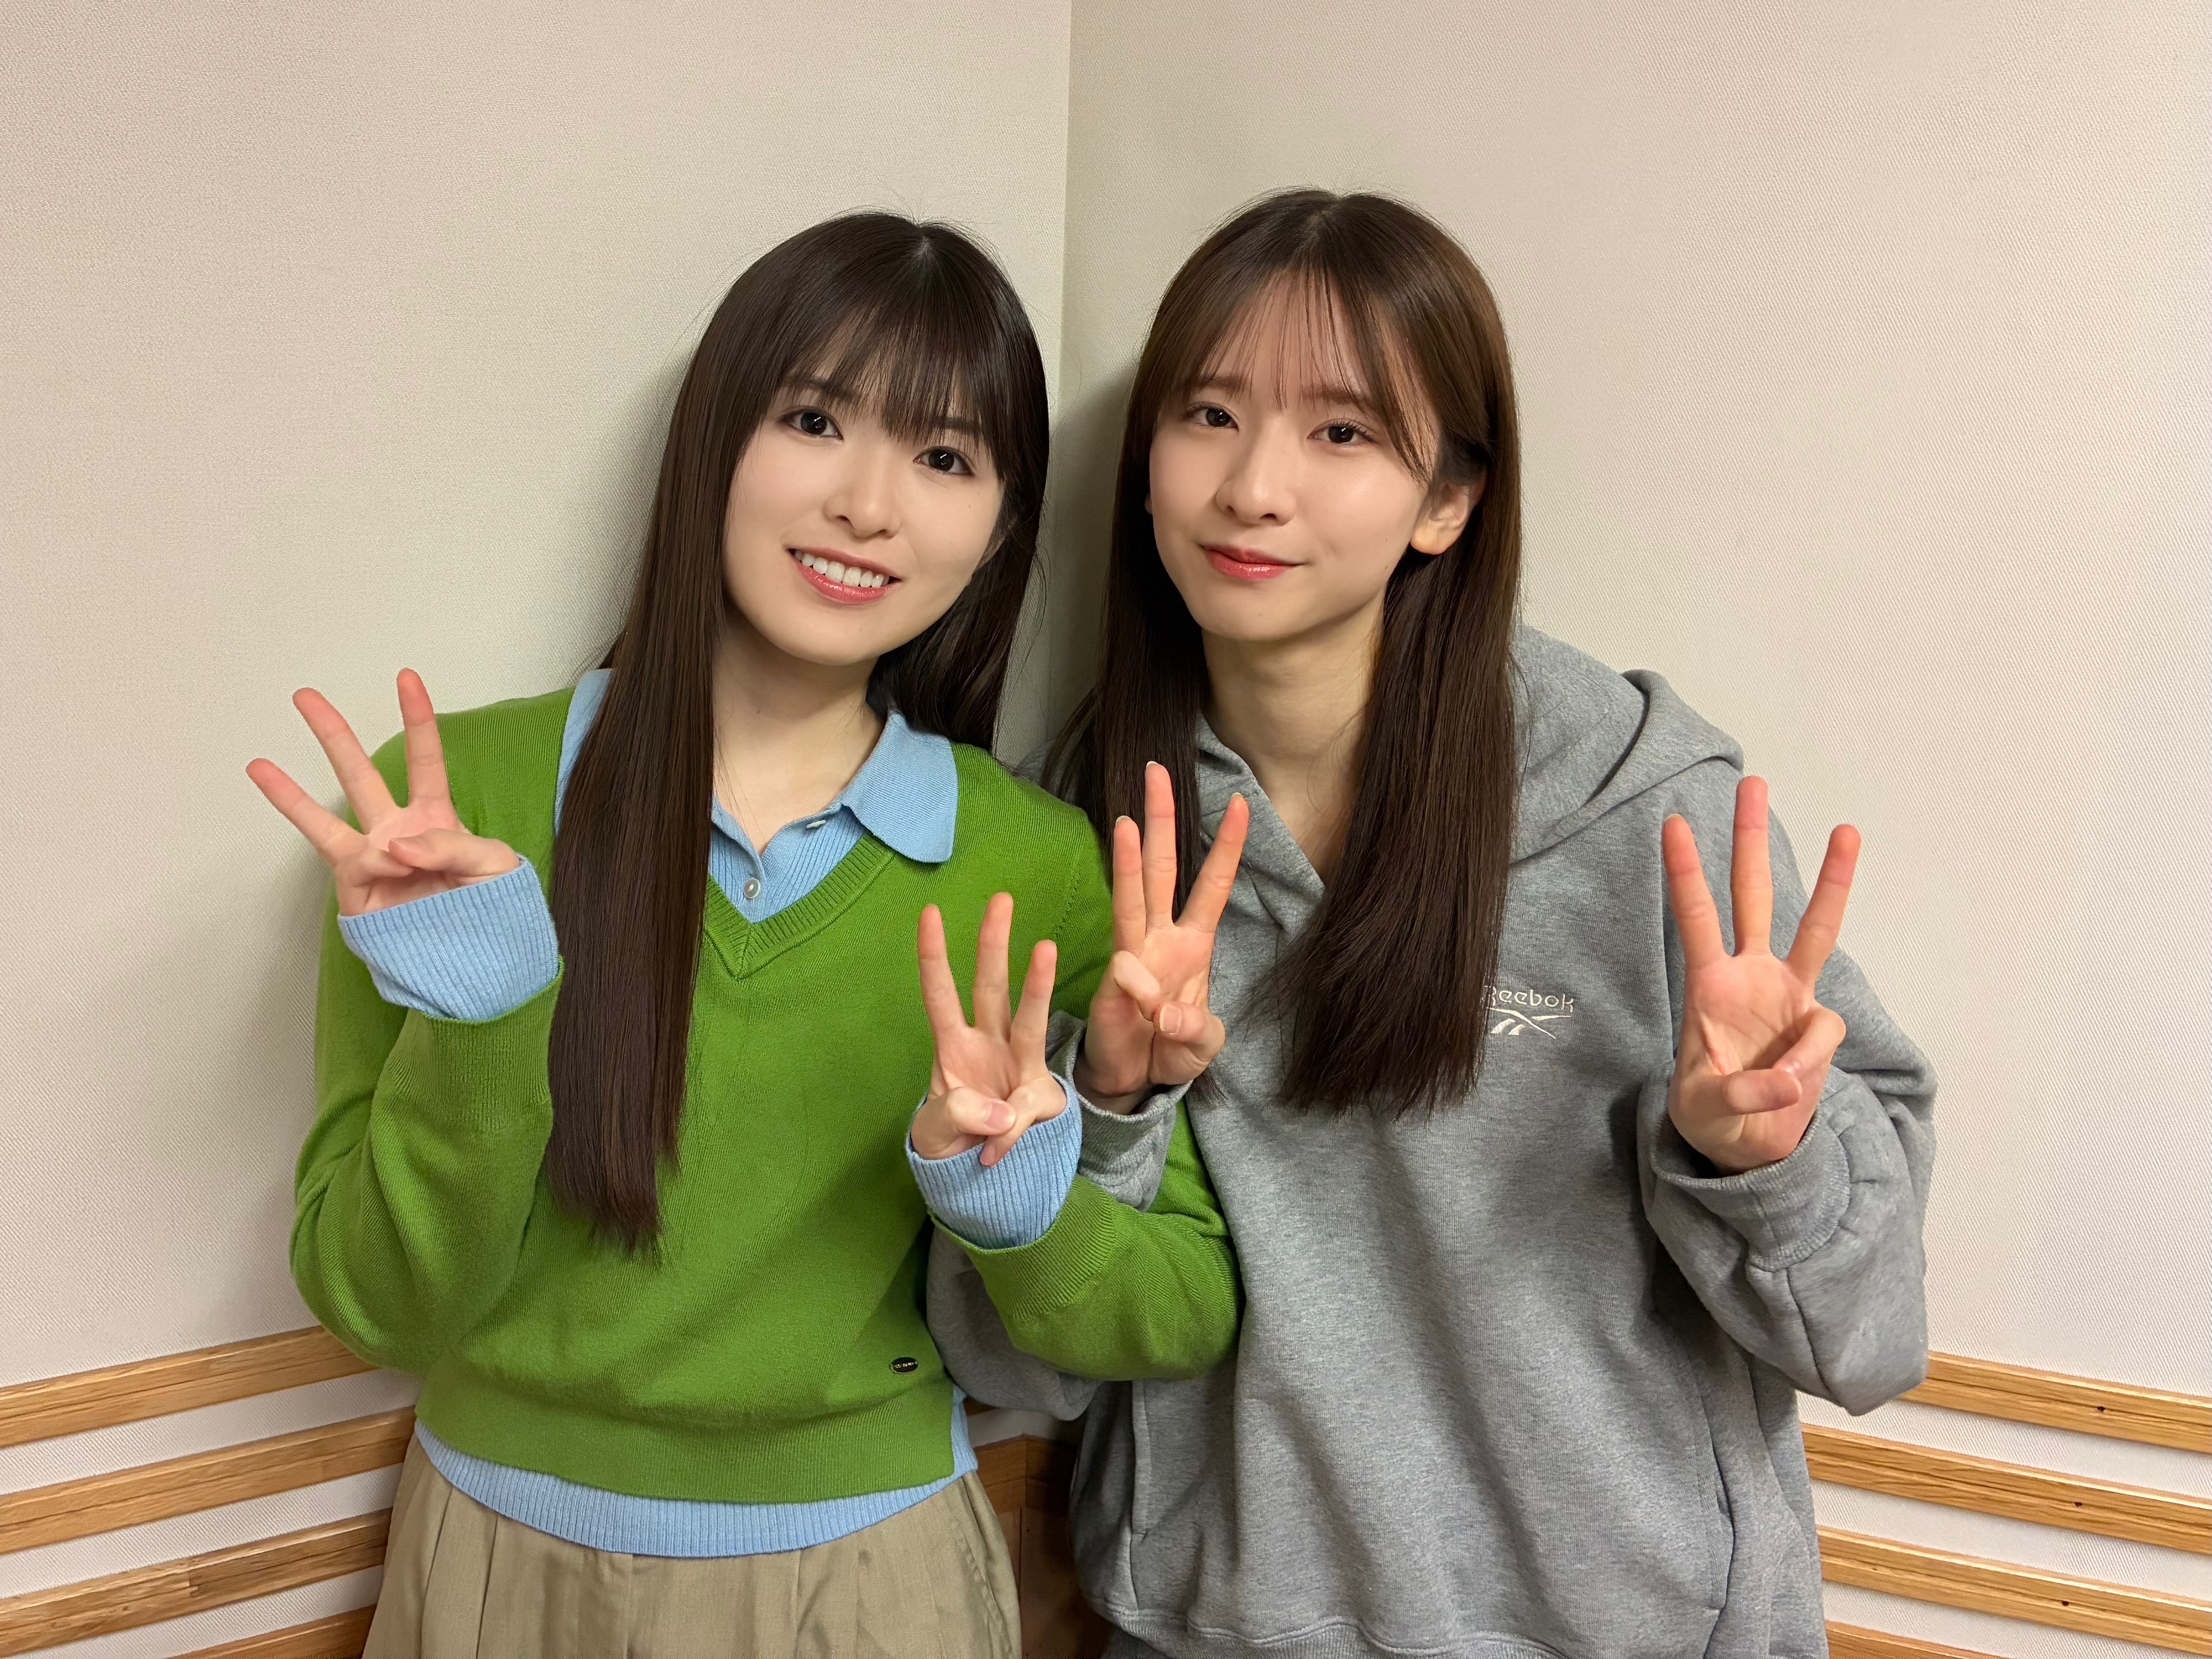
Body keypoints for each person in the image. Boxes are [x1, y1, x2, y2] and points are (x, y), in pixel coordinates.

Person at [934, 189, 1938, 1659]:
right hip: (1217, 1628)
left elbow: (1870, 1339)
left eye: (1342, 432)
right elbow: (1011, 1359)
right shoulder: (1077, 832)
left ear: (1450, 500)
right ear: (1145, 465)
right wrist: (1109, 1107)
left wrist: (1761, 1161)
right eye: (1209, 414)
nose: (1254, 486)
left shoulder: (1650, 817)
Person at [247, 211, 1243, 1659]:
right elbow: (377, 1306)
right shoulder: (450, 812)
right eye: (814, 419)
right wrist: (482, 1012)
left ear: (1002, 527)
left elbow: (1177, 1312)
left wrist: (1022, 1196)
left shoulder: (1036, 866)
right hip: (493, 1565)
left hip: (877, 1583)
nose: (867, 504)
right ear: (712, 439)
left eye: (944, 457)